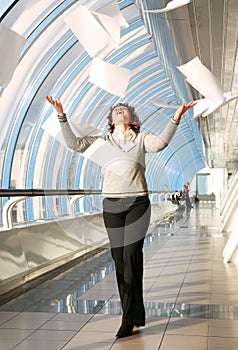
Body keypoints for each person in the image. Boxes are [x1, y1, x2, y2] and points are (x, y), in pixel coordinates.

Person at [46, 95, 196, 338]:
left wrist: (176, 116)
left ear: (132, 119)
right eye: (116, 109)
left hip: (138, 202)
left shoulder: (140, 139)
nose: (119, 110)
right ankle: (135, 313)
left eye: (124, 109)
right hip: (112, 205)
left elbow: (160, 144)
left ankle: (128, 319)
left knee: (130, 256)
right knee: (120, 260)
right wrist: (61, 116)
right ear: (110, 118)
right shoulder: (103, 141)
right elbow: (74, 144)